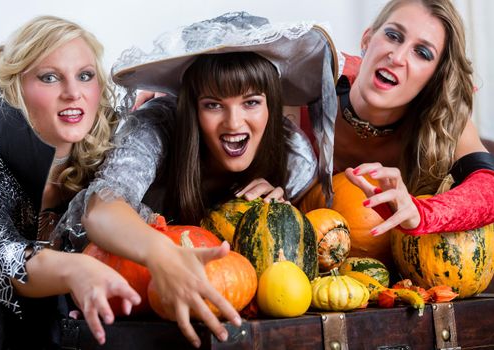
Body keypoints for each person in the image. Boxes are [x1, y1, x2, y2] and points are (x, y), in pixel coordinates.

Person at [55, 12, 338, 348]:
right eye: (213, 105)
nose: (234, 123)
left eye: (251, 102)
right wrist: (162, 253)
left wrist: (274, 215)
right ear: (191, 107)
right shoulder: (155, 128)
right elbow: (101, 209)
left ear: (271, 105)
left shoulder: (294, 158)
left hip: (218, 308)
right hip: (114, 297)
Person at [0, 16, 143, 349]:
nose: (73, 93)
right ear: (15, 89)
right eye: (50, 77)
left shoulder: (113, 169)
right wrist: (76, 270)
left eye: (85, 76)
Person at [300, 0, 494, 235]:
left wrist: (421, 213)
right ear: (367, 39)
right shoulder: (308, 84)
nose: (398, 57)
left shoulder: (443, 121)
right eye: (393, 35)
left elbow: (490, 186)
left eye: (422, 53)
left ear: (435, 77)